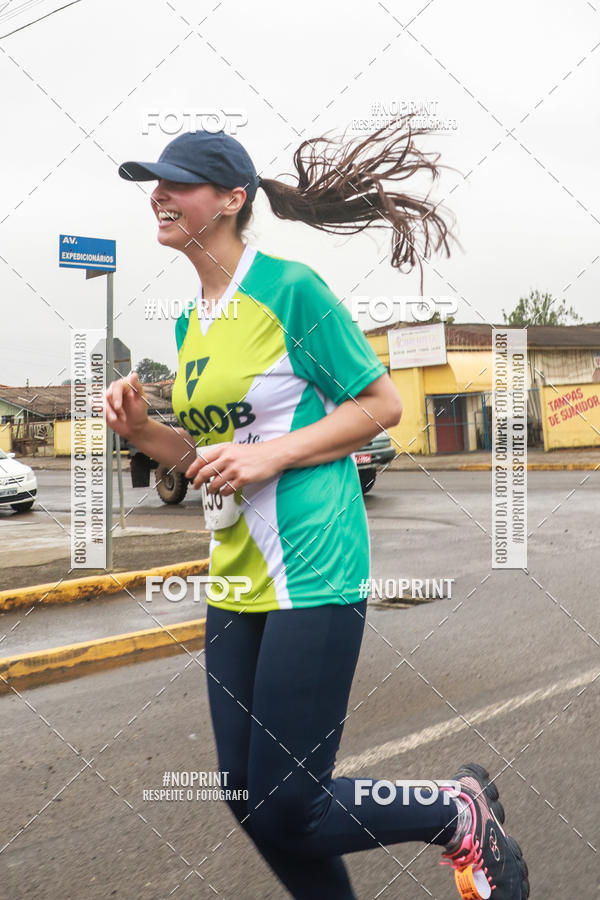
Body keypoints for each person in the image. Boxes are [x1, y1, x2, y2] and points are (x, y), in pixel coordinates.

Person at [105, 122, 529, 900]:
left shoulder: (290, 290)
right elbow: (209, 456)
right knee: (251, 802)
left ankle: (456, 811)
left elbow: (382, 404)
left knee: (290, 799)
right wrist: (144, 434)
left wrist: (275, 455)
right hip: (237, 573)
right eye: (152, 182)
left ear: (232, 200)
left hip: (313, 562)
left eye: (177, 182)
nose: (157, 195)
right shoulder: (191, 321)